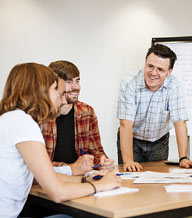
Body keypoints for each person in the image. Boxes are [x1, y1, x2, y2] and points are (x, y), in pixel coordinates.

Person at [0, 63, 122, 218]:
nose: (62, 100)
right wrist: (100, 185)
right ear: (40, 91)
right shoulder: (23, 124)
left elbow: (40, 176)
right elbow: (57, 193)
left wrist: (84, 179)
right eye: (55, 90)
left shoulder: (11, 119)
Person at [117, 44, 192, 171]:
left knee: (157, 183)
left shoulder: (175, 86)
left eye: (160, 69)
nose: (153, 73)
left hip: (159, 142)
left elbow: (180, 122)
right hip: (132, 140)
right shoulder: (129, 83)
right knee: (130, 178)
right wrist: (129, 161)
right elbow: (125, 124)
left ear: (169, 72)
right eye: (150, 66)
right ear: (145, 63)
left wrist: (183, 158)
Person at [42, 60, 114, 176]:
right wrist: (70, 168)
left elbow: (96, 151)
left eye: (77, 81)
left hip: (79, 178)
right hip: (49, 179)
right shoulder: (41, 115)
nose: (76, 87)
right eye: (68, 82)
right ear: (55, 86)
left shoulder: (87, 112)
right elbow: (38, 164)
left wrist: (102, 161)